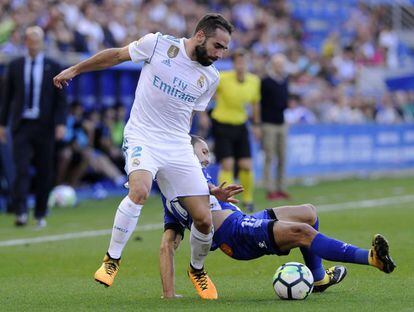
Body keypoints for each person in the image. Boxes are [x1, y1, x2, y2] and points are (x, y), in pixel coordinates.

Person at [53, 13, 234, 300]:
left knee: (203, 219)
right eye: (218, 45)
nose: (220, 54)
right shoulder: (158, 45)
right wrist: (75, 69)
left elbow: (187, 117)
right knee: (139, 190)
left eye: (224, 48)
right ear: (200, 35)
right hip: (143, 136)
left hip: (176, 144)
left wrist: (195, 150)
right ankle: (112, 260)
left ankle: (197, 269)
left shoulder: (210, 76)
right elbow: (115, 55)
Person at [159, 136, 396, 298]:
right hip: (235, 236)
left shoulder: (185, 183)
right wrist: (169, 295)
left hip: (242, 220)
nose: (207, 158)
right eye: (203, 151)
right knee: (303, 233)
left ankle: (319, 278)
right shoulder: (181, 185)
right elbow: (168, 244)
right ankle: (372, 258)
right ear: (186, 152)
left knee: (308, 213)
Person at [0, 26, 67, 228]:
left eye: (37, 41)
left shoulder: (53, 65)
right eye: (30, 40)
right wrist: (2, 124)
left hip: (44, 126)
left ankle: (40, 212)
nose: (33, 44)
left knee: (44, 170)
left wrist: (61, 122)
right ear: (25, 42)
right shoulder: (15, 66)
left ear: (42, 42)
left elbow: (60, 98)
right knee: (20, 168)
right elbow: (7, 97)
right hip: (22, 125)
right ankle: (20, 211)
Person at [207, 48, 261, 212]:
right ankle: (227, 200)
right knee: (228, 164)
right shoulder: (223, 78)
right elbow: (209, 93)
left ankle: (248, 199)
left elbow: (255, 103)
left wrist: (257, 125)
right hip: (222, 123)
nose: (241, 65)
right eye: (237, 62)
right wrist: (204, 113)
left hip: (241, 124)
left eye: (243, 61)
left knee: (246, 164)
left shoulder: (254, 81)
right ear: (233, 64)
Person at [260, 54, 290, 200]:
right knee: (269, 157)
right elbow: (260, 103)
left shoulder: (284, 81)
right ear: (273, 65)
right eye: (278, 64)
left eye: (282, 64)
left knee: (282, 157)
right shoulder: (266, 82)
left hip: (281, 122)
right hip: (269, 124)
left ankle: (281, 187)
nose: (280, 67)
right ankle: (270, 189)